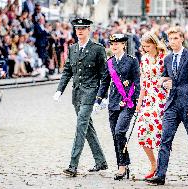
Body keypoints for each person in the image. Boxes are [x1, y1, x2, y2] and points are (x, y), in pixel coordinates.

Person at [145, 26, 188, 185]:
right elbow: (165, 78)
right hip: (171, 105)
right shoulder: (167, 58)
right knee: (165, 139)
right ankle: (160, 175)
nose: (172, 42)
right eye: (169, 39)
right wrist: (162, 82)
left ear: (182, 39)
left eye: (175, 38)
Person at [53, 18, 108, 177]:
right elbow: (68, 71)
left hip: (90, 92)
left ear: (88, 30)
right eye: (78, 29)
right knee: (87, 127)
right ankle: (101, 161)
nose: (80, 31)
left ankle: (73, 165)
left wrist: (101, 97)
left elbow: (104, 75)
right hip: (77, 93)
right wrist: (59, 90)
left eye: (83, 28)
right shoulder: (73, 48)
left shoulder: (98, 49)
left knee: (81, 126)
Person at [94, 34, 140, 180]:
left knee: (120, 131)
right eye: (112, 43)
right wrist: (98, 100)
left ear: (123, 45)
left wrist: (138, 100)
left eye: (117, 43)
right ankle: (122, 165)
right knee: (116, 135)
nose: (114, 46)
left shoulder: (132, 61)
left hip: (128, 102)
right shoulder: (110, 62)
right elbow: (105, 83)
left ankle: (122, 166)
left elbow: (137, 81)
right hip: (113, 103)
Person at [136, 32, 167, 179]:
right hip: (148, 98)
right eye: (144, 46)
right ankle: (153, 164)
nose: (146, 49)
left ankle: (161, 168)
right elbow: (143, 83)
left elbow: (171, 77)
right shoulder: (143, 59)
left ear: (154, 44)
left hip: (161, 98)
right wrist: (139, 102)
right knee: (142, 132)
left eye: (148, 46)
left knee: (160, 134)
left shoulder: (164, 58)